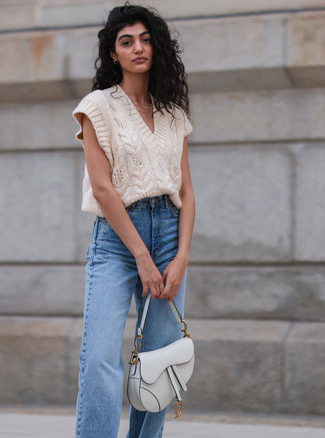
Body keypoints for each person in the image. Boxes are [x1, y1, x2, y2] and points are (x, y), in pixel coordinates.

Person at [72, 4, 195, 437]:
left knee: (159, 362)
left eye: (145, 39)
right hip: (117, 241)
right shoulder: (96, 107)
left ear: (156, 47)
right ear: (113, 53)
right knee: (100, 360)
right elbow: (103, 189)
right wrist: (142, 256)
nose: (138, 48)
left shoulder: (173, 113)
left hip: (169, 236)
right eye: (127, 42)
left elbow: (187, 192)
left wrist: (181, 257)